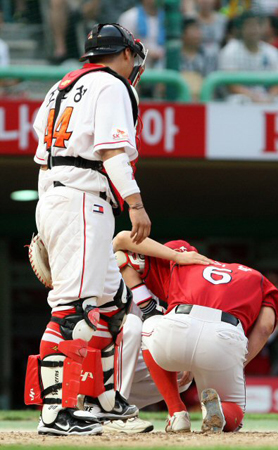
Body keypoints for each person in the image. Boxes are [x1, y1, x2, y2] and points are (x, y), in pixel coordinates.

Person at [27, 23, 151, 436]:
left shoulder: (61, 85)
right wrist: (135, 203)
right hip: (81, 198)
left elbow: (40, 141)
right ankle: (54, 412)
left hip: (59, 195)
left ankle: (104, 400)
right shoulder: (113, 85)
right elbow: (113, 152)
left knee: (114, 304)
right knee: (71, 311)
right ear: (128, 54)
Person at [113, 231, 278, 433]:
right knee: (234, 411)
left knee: (149, 325)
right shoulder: (259, 278)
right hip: (225, 334)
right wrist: (237, 363)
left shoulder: (184, 254)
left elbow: (121, 248)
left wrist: (147, 302)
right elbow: (265, 327)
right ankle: (220, 412)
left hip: (178, 323)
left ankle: (176, 412)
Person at [218, 12, 278, 104]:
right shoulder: (230, 50)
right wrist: (254, 98)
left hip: (268, 97)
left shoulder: (272, 52)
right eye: (249, 25)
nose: (253, 29)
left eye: (257, 25)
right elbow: (232, 85)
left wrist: (270, 98)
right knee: (236, 101)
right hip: (242, 97)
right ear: (241, 29)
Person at [119, 0, 165, 68]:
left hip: (162, 68)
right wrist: (145, 51)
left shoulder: (167, 17)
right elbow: (123, 45)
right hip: (135, 67)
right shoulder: (130, 17)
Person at [180, 17, 218, 99]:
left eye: (199, 29)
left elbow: (212, 86)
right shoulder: (173, 56)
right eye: (193, 29)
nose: (198, 33)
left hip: (202, 101)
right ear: (183, 33)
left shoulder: (209, 56)